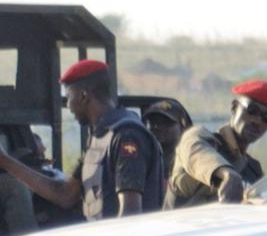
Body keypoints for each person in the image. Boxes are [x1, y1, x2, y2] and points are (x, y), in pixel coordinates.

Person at [0, 60, 161, 221]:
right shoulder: (99, 136)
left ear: (84, 96)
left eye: (69, 98)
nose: (69, 107)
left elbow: (130, 213)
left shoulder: (126, 136)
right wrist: (6, 161)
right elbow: (65, 195)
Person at [165, 80, 267, 208]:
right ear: (234, 107)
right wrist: (226, 173)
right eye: (252, 110)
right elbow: (193, 148)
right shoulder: (202, 141)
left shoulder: (254, 171)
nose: (257, 121)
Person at [142, 99, 192, 198]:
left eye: (166, 122)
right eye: (152, 122)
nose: (157, 127)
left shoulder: (189, 160)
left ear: (182, 126)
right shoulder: (143, 158)